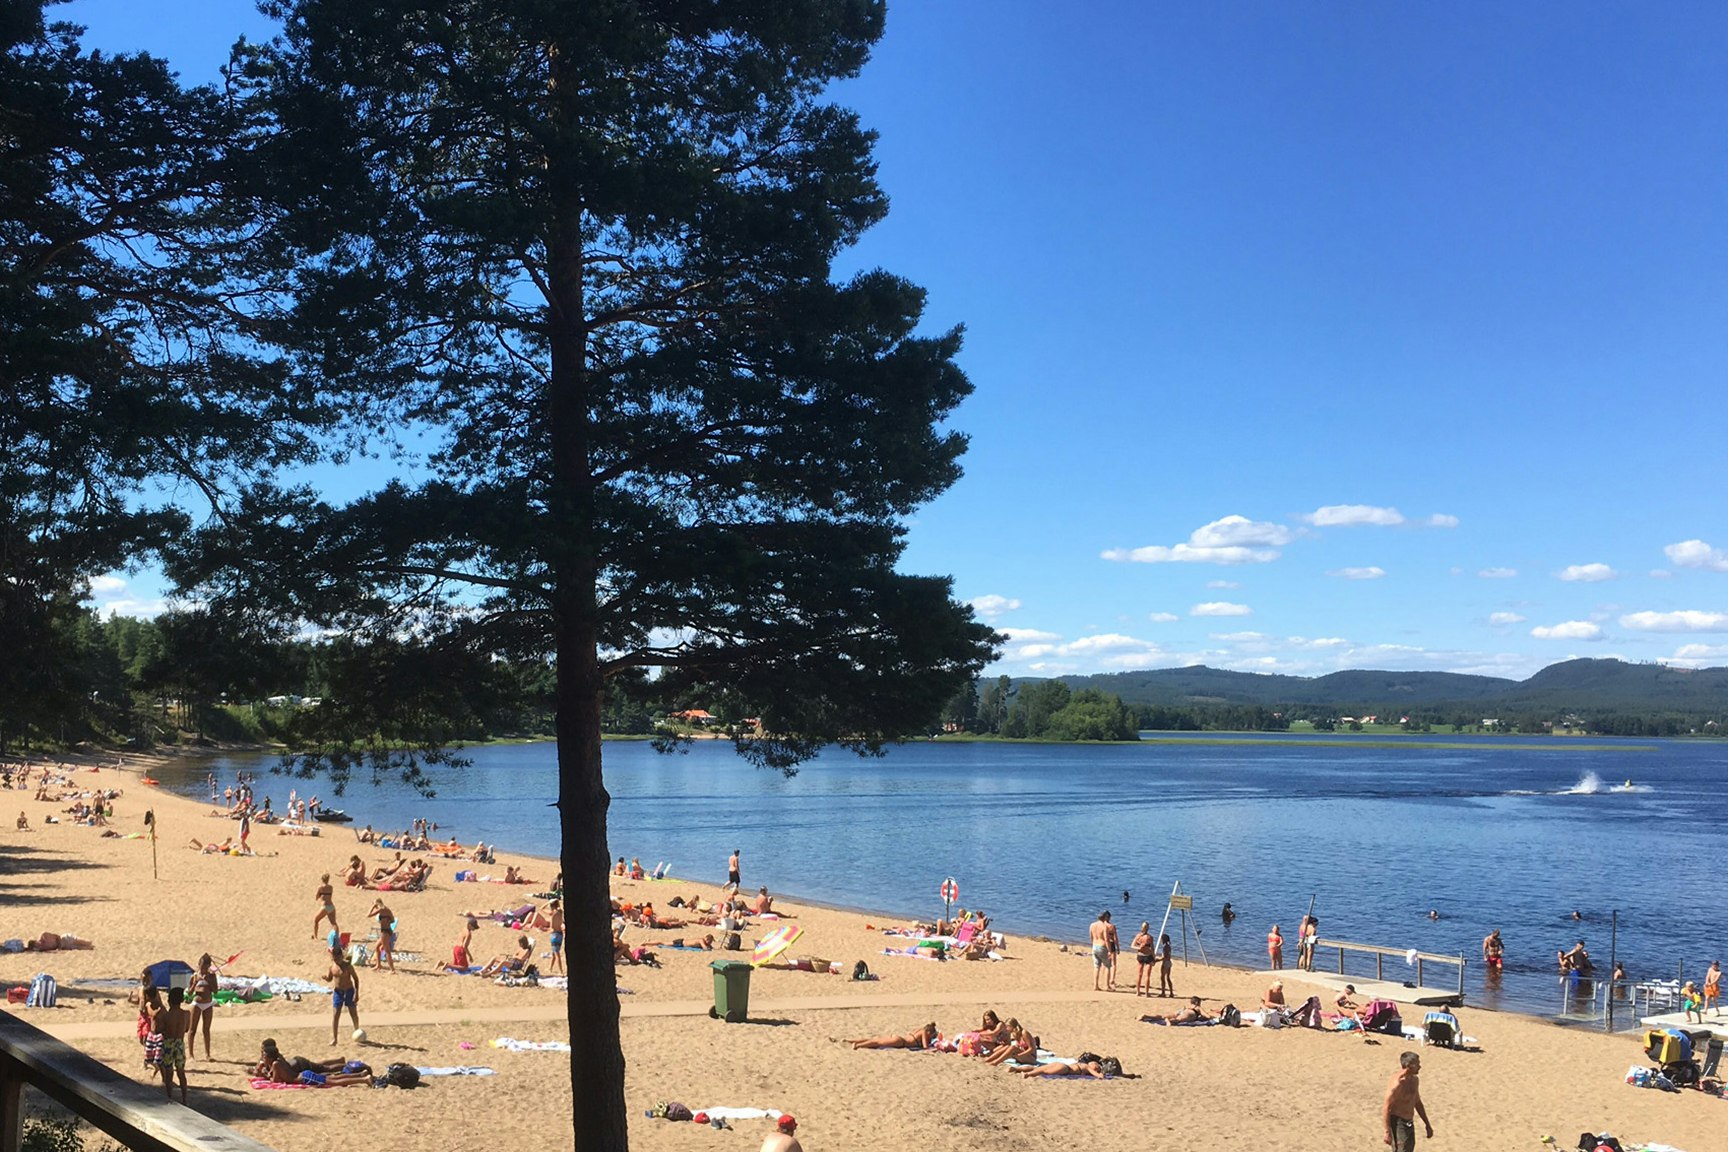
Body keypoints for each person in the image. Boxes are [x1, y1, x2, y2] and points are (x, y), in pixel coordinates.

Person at [1382, 1050, 1433, 1150]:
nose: (1420, 1066)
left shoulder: (1414, 1080)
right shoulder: (1397, 1083)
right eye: (1417, 1064)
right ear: (1410, 1065)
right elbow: (1386, 1108)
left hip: (1409, 1122)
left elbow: (1417, 1103)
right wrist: (1387, 1132)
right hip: (1397, 1123)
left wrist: (1427, 1124)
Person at [151, 986, 191, 1103]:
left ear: (169, 1001)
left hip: (168, 1043)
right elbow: (186, 1029)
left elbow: (156, 1030)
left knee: (169, 1073)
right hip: (179, 1043)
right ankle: (184, 1098)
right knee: (181, 1072)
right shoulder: (186, 1014)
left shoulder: (166, 1016)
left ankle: (170, 1098)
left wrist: (154, 1018)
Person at [327, 945, 362, 1044]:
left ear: (342, 956)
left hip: (349, 991)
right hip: (338, 992)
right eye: (335, 958)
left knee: (353, 1013)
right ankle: (335, 1038)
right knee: (335, 1015)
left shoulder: (348, 966)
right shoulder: (332, 967)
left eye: (338, 958)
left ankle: (357, 1031)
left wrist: (356, 993)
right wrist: (326, 978)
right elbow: (330, 978)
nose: (337, 960)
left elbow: (356, 979)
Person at [188, 953, 217, 1060]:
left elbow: (216, 990)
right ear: (199, 965)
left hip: (208, 1003)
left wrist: (209, 981)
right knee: (192, 1029)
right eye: (202, 966)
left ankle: (207, 1054)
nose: (203, 969)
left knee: (206, 1029)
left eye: (206, 966)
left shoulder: (212, 976)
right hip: (197, 1004)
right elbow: (190, 993)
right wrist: (195, 983)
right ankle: (191, 1054)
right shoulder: (194, 976)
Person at [846, 1021, 937, 1049]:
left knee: (875, 1039)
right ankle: (857, 1045)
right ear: (929, 1032)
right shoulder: (924, 1032)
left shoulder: (918, 1030)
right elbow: (925, 1047)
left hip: (898, 1037)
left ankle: (850, 1041)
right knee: (877, 1043)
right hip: (900, 1042)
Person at [1089, 910, 1118, 991]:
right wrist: (1109, 950)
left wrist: (1093, 944)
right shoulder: (1104, 927)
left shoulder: (1092, 925)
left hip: (1095, 946)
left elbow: (1091, 936)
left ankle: (1096, 985)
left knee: (1096, 966)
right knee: (1107, 966)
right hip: (1102, 946)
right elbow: (1106, 939)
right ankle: (1107, 986)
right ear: (1104, 917)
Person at [1016, 1056, 1115, 1078]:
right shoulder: (1086, 1067)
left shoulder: (1081, 1064)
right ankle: (1027, 1074)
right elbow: (1099, 1076)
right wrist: (1101, 1074)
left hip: (1061, 1064)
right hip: (1065, 1069)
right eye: (1096, 1064)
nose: (1095, 1065)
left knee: (1040, 1068)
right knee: (1044, 1072)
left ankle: (1017, 1069)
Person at [369, 899, 397, 973]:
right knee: (377, 947)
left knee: (387, 951)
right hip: (388, 930)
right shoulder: (387, 909)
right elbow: (393, 920)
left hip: (385, 931)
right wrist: (386, 920)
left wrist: (372, 907)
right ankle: (378, 965)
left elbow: (369, 915)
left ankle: (392, 969)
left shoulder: (381, 910)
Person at [1140, 995, 1208, 1025]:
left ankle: (1147, 1016)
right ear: (1197, 1002)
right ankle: (1169, 1021)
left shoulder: (1188, 1006)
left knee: (1162, 1016)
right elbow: (1208, 1016)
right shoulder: (1198, 1007)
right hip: (1190, 1013)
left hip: (1182, 1010)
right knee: (1178, 1020)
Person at [1131, 921, 1156, 996]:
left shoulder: (1139, 936)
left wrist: (1138, 947)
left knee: (1140, 974)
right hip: (1146, 956)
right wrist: (1154, 957)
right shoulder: (1149, 937)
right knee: (1146, 975)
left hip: (1141, 955)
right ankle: (1146, 992)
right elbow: (1152, 949)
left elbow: (1132, 946)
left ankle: (1138, 992)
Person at [313, 873, 339, 940]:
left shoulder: (320, 887)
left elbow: (316, 897)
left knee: (316, 920)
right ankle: (337, 936)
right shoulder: (331, 887)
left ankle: (315, 936)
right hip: (331, 906)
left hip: (325, 907)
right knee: (334, 923)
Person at [546, 899, 564, 975]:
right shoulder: (560, 912)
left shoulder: (552, 913)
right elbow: (559, 908)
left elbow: (541, 908)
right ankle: (550, 968)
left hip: (554, 934)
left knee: (557, 954)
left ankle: (561, 971)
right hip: (560, 934)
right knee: (554, 952)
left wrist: (547, 902)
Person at [1157, 932, 1176, 998]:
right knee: (1168, 978)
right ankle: (1171, 993)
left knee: (1162, 977)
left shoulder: (1165, 947)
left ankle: (1163, 992)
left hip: (1165, 962)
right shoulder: (1169, 946)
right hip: (1169, 962)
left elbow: (1164, 956)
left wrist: (1157, 960)